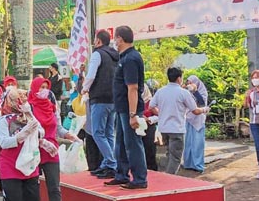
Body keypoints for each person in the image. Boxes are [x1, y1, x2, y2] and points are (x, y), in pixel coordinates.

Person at [0, 88, 43, 201]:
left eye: (23, 98)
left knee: (33, 200)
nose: (20, 102)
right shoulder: (4, 121)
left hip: (29, 165)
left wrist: (30, 116)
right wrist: (20, 136)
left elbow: (41, 132)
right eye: (17, 99)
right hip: (10, 166)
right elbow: (3, 142)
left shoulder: (29, 115)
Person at [29, 77, 74, 201]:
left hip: (51, 151)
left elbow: (59, 127)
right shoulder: (30, 108)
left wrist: (70, 135)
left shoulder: (52, 107)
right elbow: (27, 131)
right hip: (34, 151)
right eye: (40, 87)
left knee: (54, 188)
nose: (44, 90)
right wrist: (41, 142)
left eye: (45, 87)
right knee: (31, 188)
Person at [104, 26, 148, 189]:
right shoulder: (124, 58)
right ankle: (121, 174)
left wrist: (133, 113)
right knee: (121, 143)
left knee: (132, 143)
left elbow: (133, 87)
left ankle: (140, 178)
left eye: (115, 38)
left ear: (120, 39)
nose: (114, 41)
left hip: (129, 109)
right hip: (122, 108)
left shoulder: (131, 59)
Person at [148, 68, 209, 175]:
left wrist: (161, 114)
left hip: (163, 128)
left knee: (169, 152)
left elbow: (151, 106)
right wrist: (204, 110)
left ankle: (166, 174)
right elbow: (194, 110)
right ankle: (169, 178)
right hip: (176, 128)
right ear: (179, 78)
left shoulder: (161, 91)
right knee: (176, 157)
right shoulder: (183, 93)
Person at [82, 29, 120, 180]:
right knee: (110, 133)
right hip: (113, 99)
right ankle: (108, 163)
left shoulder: (97, 54)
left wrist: (84, 89)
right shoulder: (116, 56)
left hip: (99, 98)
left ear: (98, 41)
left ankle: (111, 162)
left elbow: (91, 75)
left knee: (97, 132)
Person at [183, 75, 209, 173]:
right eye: (188, 83)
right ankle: (188, 163)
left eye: (191, 83)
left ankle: (198, 164)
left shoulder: (202, 91)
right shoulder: (186, 92)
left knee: (197, 143)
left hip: (198, 119)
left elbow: (202, 103)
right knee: (188, 142)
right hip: (188, 118)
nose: (189, 85)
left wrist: (195, 91)